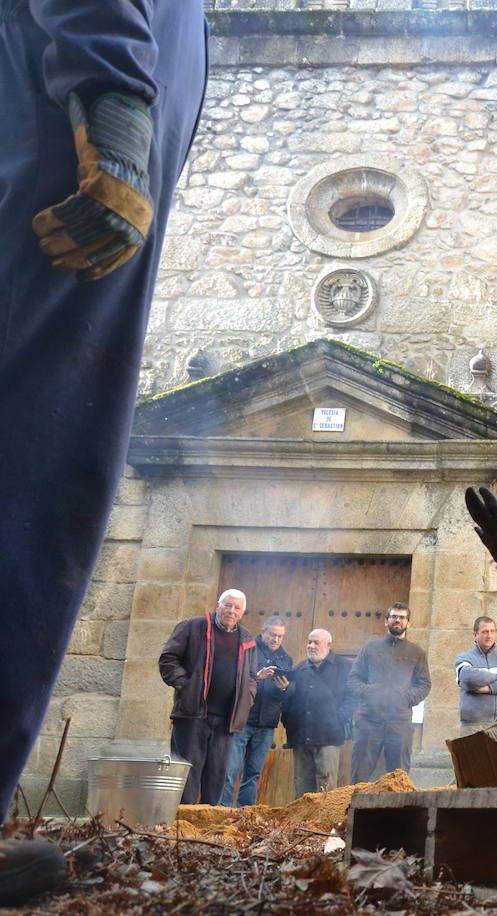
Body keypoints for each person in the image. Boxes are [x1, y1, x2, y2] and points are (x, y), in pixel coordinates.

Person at [0, 0, 205, 839]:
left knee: (39, 484)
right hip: (71, 152)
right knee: (30, 484)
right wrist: (112, 88)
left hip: (78, 131)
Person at [158, 591, 277, 805]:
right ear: (218, 605)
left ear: (242, 613)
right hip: (192, 715)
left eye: (236, 608)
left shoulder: (247, 639)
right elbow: (168, 658)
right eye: (227, 605)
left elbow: (251, 677)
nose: (231, 611)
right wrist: (185, 685)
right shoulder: (193, 626)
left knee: (216, 777)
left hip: (225, 721)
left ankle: (208, 827)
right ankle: (182, 826)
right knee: (188, 774)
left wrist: (247, 698)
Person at [347, 603, 431, 783]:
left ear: (409, 623)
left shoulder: (417, 652)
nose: (397, 620)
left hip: (400, 721)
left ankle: (398, 812)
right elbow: (353, 679)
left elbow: (424, 685)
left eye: (402, 617)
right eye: (393, 616)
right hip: (369, 720)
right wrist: (369, 693)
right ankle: (353, 810)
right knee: (359, 774)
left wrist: (406, 698)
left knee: (399, 777)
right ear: (386, 621)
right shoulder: (370, 648)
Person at [220, 616, 292, 807]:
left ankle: (245, 815)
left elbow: (289, 695)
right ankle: (224, 812)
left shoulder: (286, 659)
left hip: (267, 725)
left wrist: (283, 688)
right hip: (243, 720)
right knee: (230, 770)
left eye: (280, 636)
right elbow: (232, 679)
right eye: (273, 635)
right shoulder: (248, 650)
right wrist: (255, 677)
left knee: (253, 773)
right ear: (263, 631)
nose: (276, 639)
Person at [281, 629, 356, 798]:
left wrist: (339, 719)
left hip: (328, 736)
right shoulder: (299, 669)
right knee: (302, 787)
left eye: (316, 642)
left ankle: (325, 824)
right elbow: (288, 701)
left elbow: (352, 697)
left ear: (328, 645)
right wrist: (290, 724)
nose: (311, 646)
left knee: (326, 787)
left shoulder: (344, 667)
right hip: (301, 737)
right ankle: (302, 824)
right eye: (309, 641)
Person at [455, 617, 497, 732]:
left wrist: (488, 688)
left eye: (492, 631)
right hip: (473, 726)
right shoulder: (464, 658)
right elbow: (467, 679)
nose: (489, 636)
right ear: (475, 635)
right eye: (485, 632)